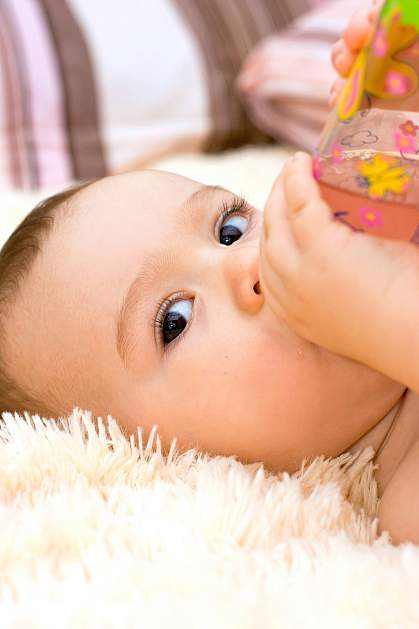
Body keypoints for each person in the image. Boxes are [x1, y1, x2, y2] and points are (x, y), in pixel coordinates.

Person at [1, 2, 418, 545]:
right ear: (159, 461)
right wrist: (383, 308)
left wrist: (396, 110)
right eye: (174, 320)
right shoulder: (407, 502)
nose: (247, 260)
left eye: (228, 227)